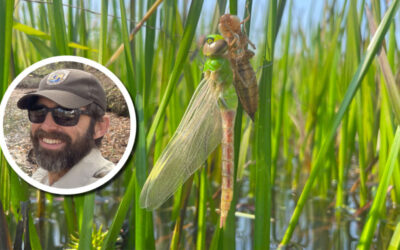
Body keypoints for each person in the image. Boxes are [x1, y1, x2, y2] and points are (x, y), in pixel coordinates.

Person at [17, 68, 114, 188]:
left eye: (65, 113)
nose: (47, 127)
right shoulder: (42, 175)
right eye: (38, 112)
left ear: (99, 127)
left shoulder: (104, 183)